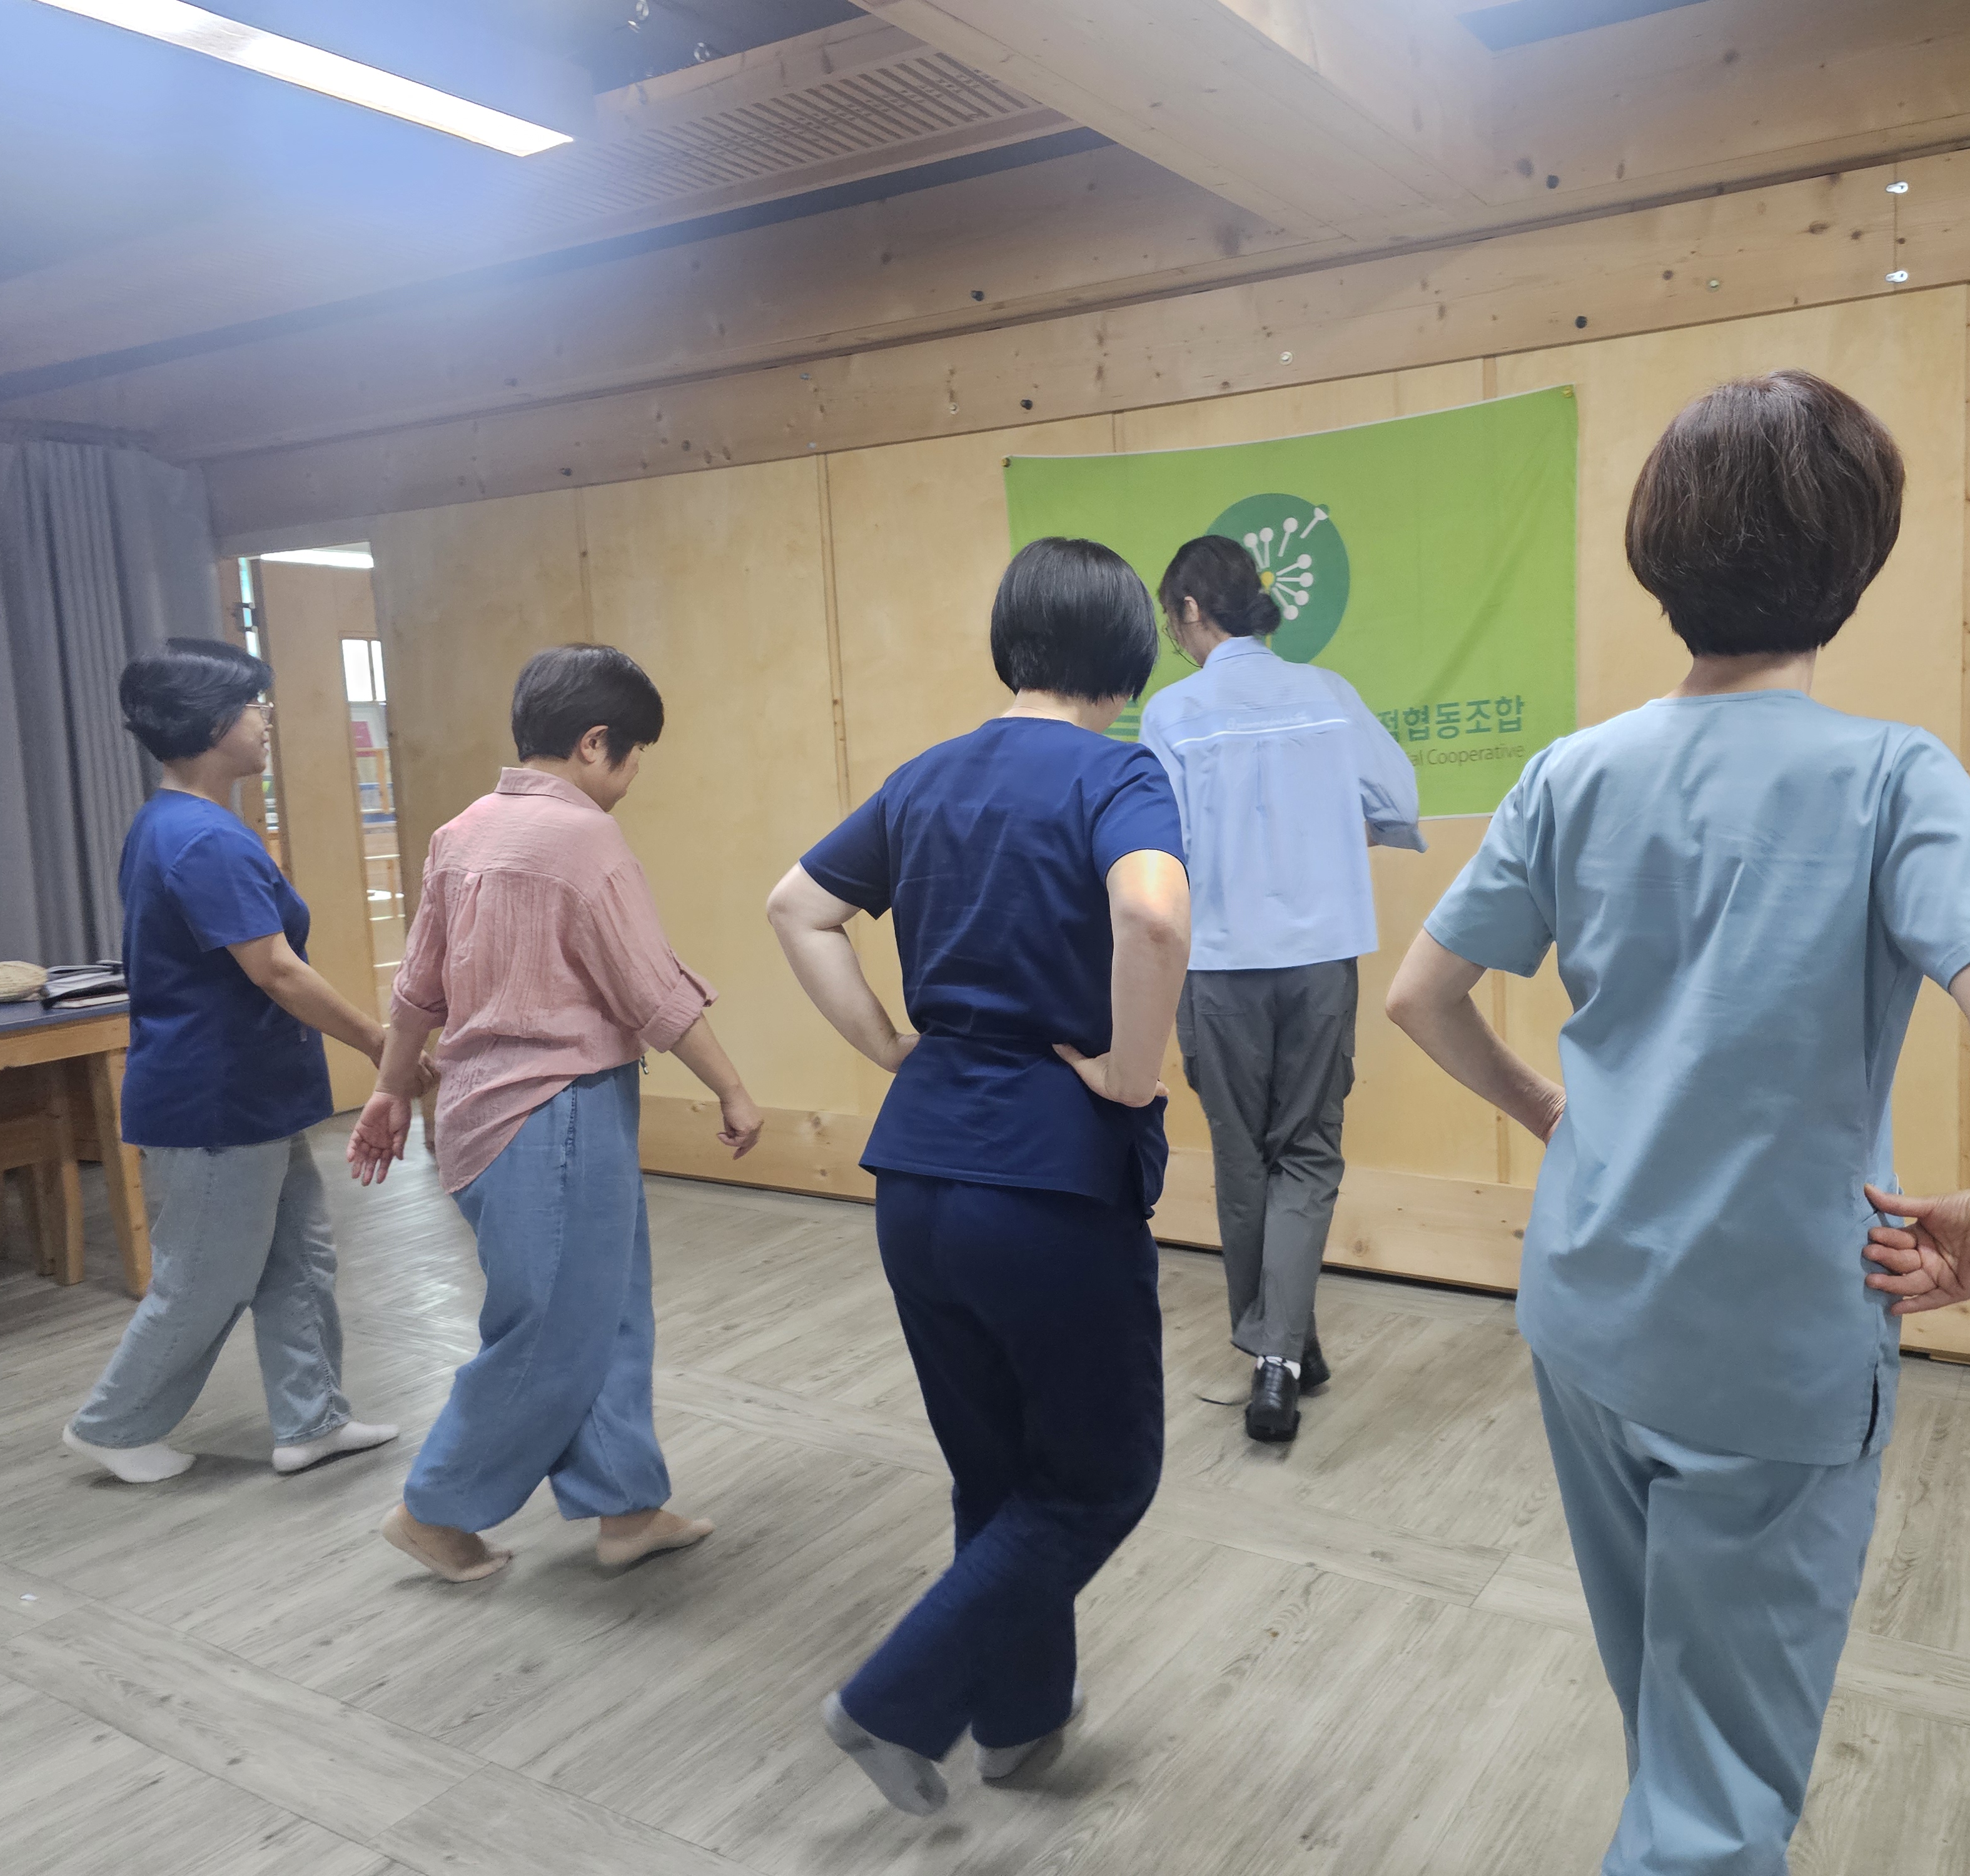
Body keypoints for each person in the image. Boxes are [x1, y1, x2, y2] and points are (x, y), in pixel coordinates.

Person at [1385, 370, 1970, 1875]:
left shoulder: (1571, 772)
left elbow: (1421, 999)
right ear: (1856, 560)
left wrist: (1546, 1112)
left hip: (1585, 1309)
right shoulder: (1891, 778)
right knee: (1714, 1802)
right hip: (1770, 1350)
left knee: (1667, 1718)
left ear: (1658, 555)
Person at [767, 537, 1188, 1816]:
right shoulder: (1118, 774)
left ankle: (1017, 1720)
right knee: (1100, 1479)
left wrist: (887, 1045)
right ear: (1127, 658)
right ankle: (894, 1701)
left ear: (1013, 644)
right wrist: (1128, 1074)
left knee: (997, 1476)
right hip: (1047, 1184)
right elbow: (1154, 914)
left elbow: (796, 907)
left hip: (918, 1176)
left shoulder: (924, 777)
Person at [347, 643, 763, 1583]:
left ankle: (627, 1506)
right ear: (593, 743)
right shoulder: (583, 840)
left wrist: (390, 1087)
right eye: (635, 754)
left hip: (488, 1112)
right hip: (556, 1114)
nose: (634, 775)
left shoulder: (461, 833)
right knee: (549, 1332)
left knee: (604, 1309)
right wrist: (732, 1087)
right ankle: (434, 1509)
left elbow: (417, 987)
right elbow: (651, 990)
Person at [63, 638, 406, 1483]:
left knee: (299, 1260)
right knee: (204, 1280)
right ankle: (113, 1426)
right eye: (255, 704)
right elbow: (275, 970)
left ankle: (312, 1420)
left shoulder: (186, 824)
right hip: (211, 1100)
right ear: (214, 722)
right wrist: (378, 1040)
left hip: (254, 1092)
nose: (266, 719)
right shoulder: (198, 839)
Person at [1139, 535, 1423, 1445]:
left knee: (1242, 1156)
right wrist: (1321, 842)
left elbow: (1158, 851)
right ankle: (1288, 1349)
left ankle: (1274, 1353)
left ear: (1191, 609)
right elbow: (1396, 803)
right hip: (1320, 957)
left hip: (1219, 962)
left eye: (1173, 620)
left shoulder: (1171, 714)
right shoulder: (1329, 695)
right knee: (1306, 1149)